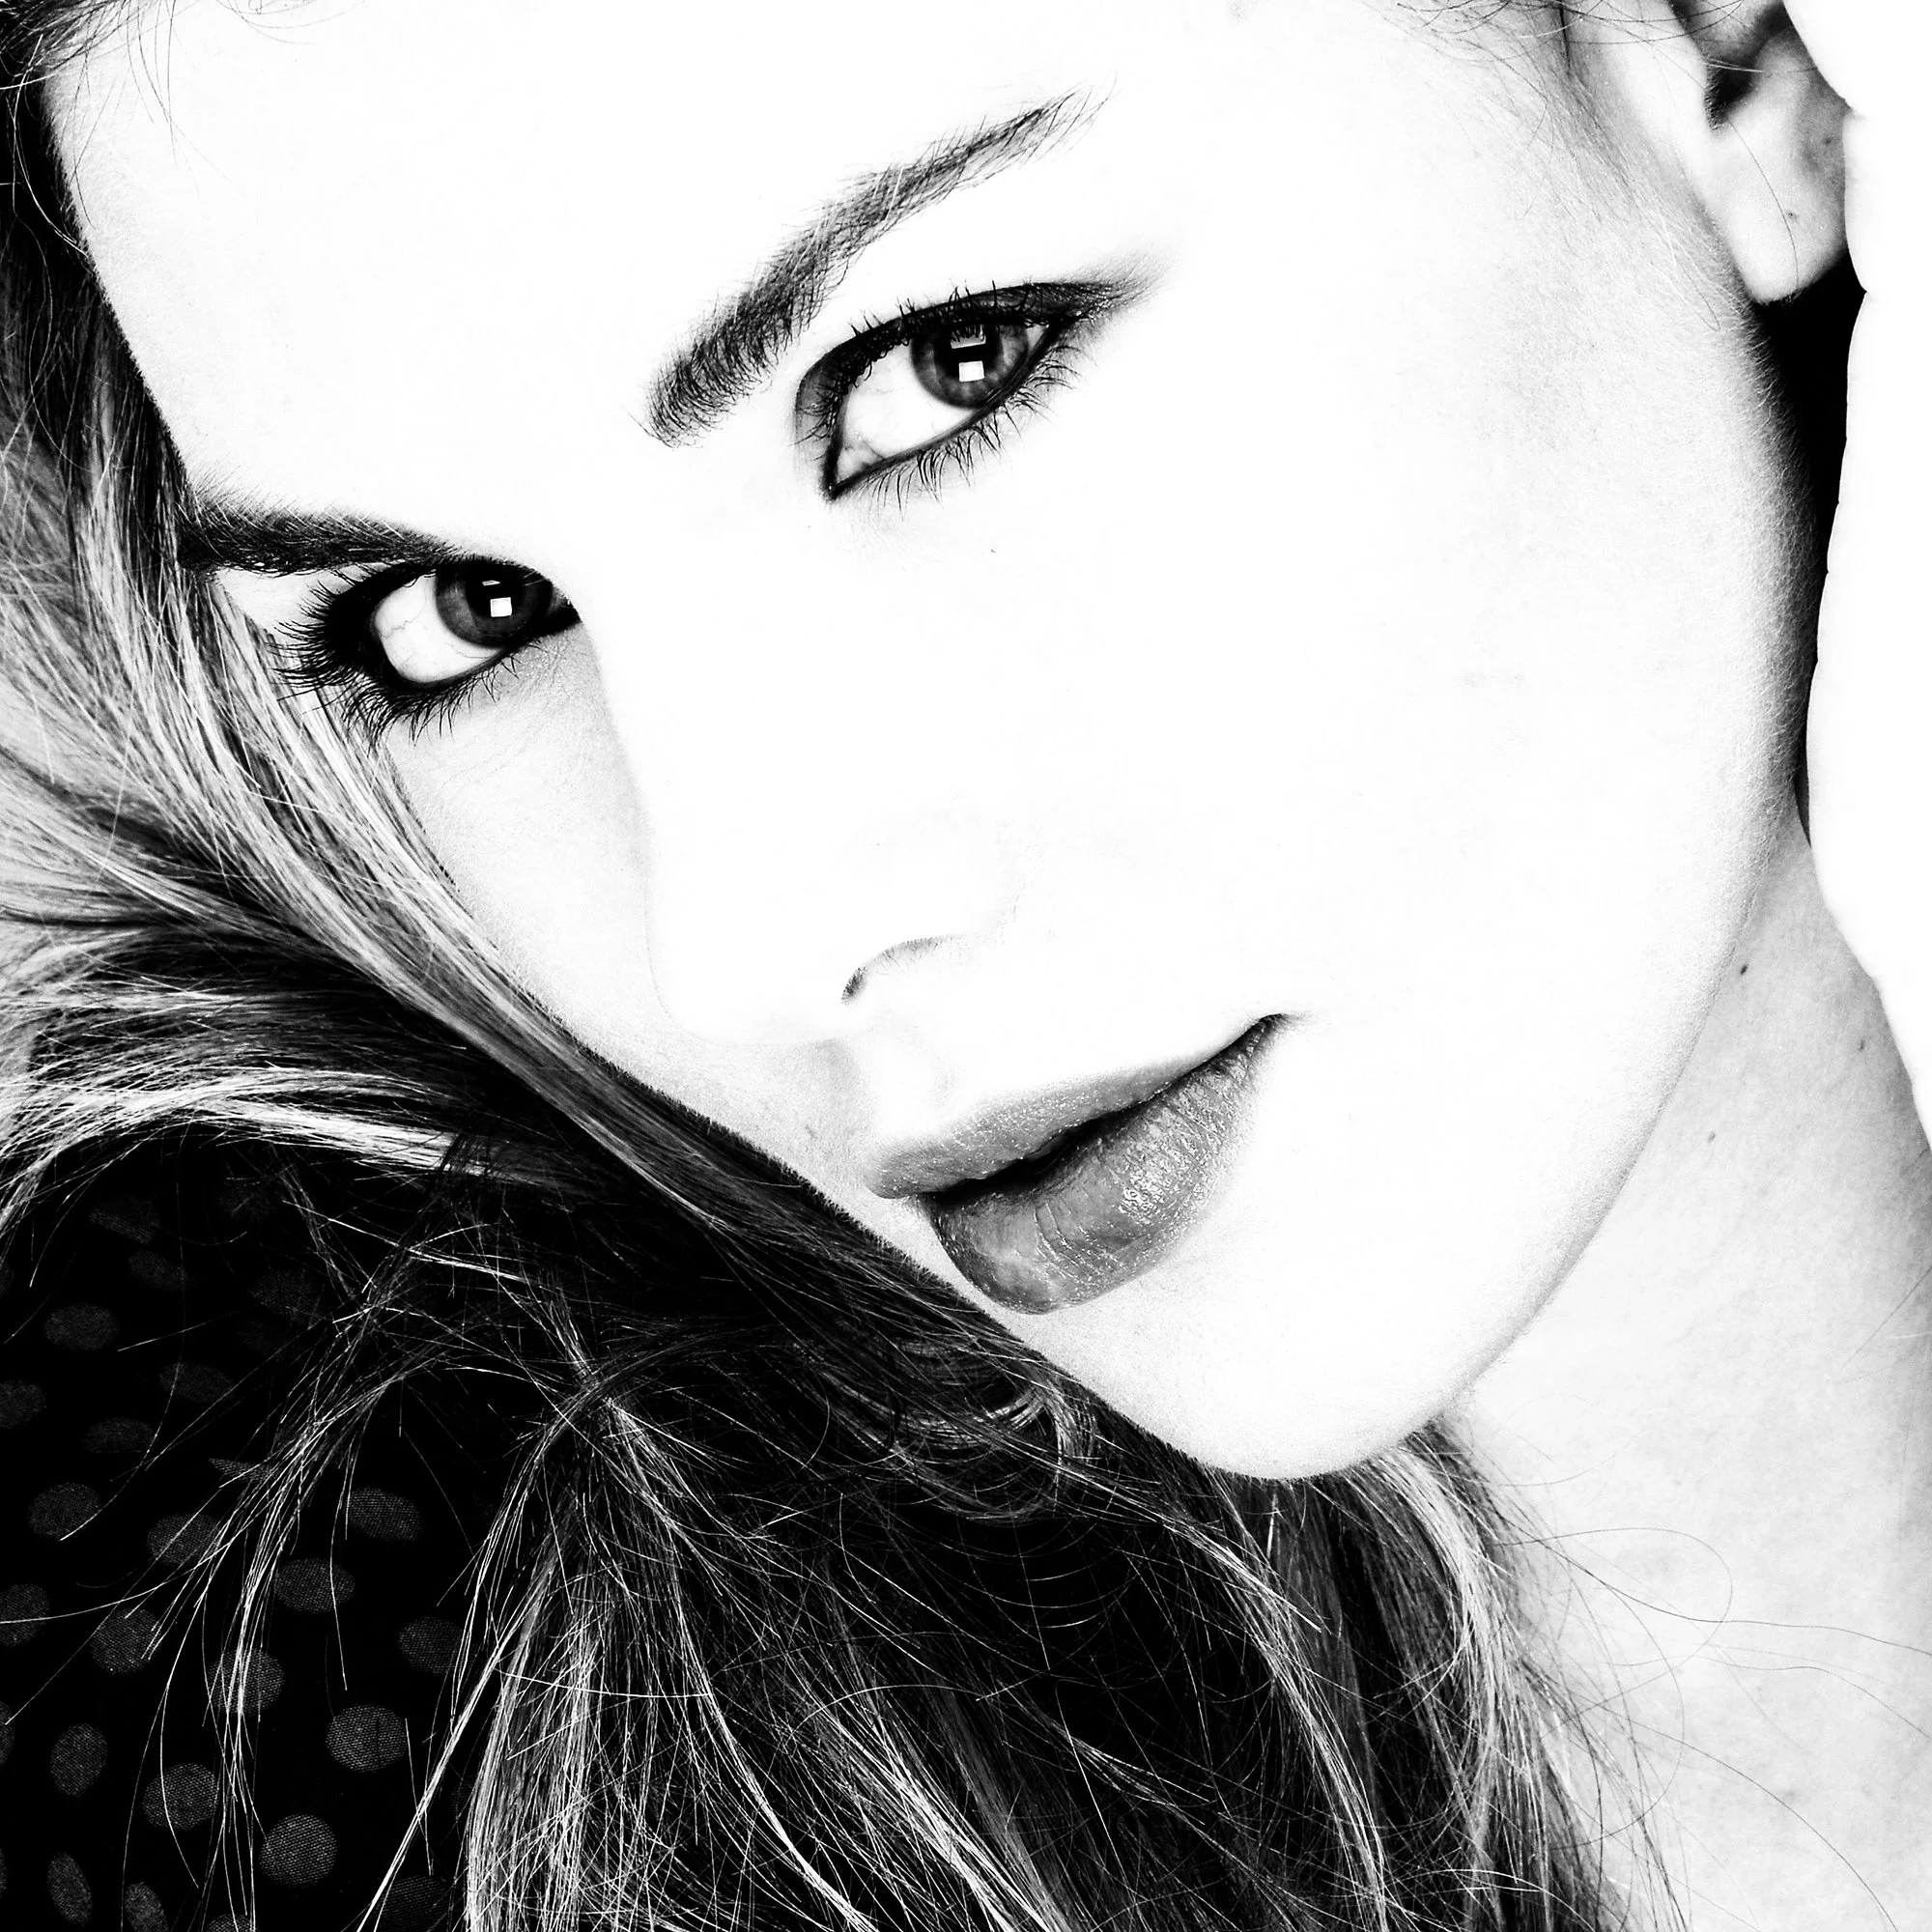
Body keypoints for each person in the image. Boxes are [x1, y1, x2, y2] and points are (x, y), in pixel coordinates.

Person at [0, 0, 1922, 1926]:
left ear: (1732, 56)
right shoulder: (309, 1709)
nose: (750, 941)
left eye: (948, 366)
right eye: (458, 617)